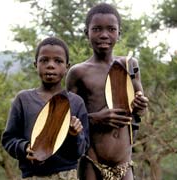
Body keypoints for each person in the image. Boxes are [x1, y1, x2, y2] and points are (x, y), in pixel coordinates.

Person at [66, 3, 149, 180]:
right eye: (96, 29)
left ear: (119, 33)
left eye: (111, 29)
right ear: (86, 33)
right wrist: (95, 118)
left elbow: (139, 108)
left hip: (124, 163)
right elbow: (66, 121)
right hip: (91, 162)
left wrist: (141, 104)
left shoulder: (130, 65)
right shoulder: (78, 73)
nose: (104, 35)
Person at [1, 37, 89, 180]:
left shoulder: (76, 102)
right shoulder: (23, 100)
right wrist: (25, 148)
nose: (51, 65)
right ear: (36, 64)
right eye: (44, 60)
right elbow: (9, 139)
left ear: (67, 66)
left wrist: (75, 134)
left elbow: (82, 148)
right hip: (32, 176)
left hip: (67, 175)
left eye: (58, 61)